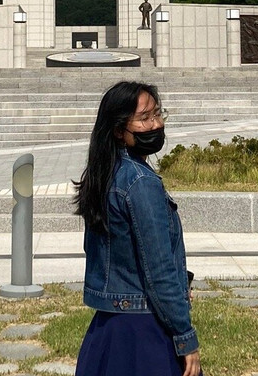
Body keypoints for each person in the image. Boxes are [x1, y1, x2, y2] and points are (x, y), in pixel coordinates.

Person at [73, 81, 201, 376]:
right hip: (144, 333)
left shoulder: (105, 174)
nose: (156, 124)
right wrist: (185, 337)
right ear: (119, 129)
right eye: (144, 118)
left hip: (108, 328)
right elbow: (159, 271)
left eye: (157, 114)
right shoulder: (139, 183)